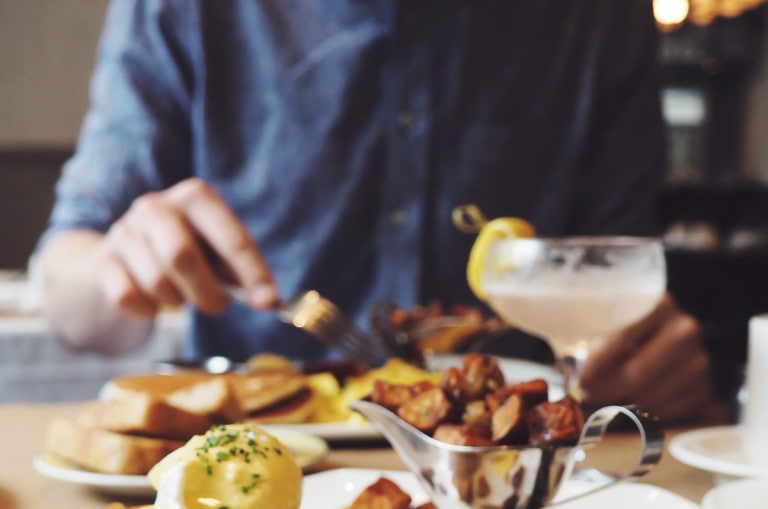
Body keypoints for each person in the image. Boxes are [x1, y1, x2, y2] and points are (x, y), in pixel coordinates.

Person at [38, 0, 711, 421]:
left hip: (512, 469)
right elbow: (70, 302)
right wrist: (114, 268)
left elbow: (622, 278)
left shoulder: (596, 16)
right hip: (261, 455)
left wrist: (643, 360)